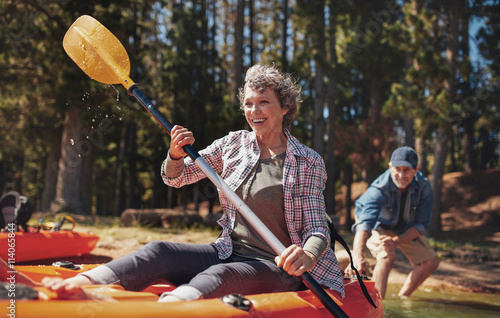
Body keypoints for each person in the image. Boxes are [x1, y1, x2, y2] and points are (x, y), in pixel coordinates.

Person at [41, 64, 344, 302]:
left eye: (264, 102)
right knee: (159, 251)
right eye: (249, 104)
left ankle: (167, 312)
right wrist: (174, 154)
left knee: (221, 275)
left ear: (285, 108)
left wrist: (307, 254)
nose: (254, 111)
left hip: (279, 266)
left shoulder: (306, 160)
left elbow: (317, 228)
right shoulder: (233, 145)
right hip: (228, 250)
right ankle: (79, 285)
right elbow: (178, 177)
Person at [345, 146, 440, 299]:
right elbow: (364, 224)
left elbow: (421, 225)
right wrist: (357, 257)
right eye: (398, 169)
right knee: (386, 256)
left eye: (407, 170)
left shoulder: (424, 186)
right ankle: (376, 305)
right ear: (390, 167)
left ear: (415, 170)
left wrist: (396, 241)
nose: (401, 175)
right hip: (377, 224)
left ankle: (403, 298)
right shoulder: (379, 188)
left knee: (431, 261)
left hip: (403, 227)